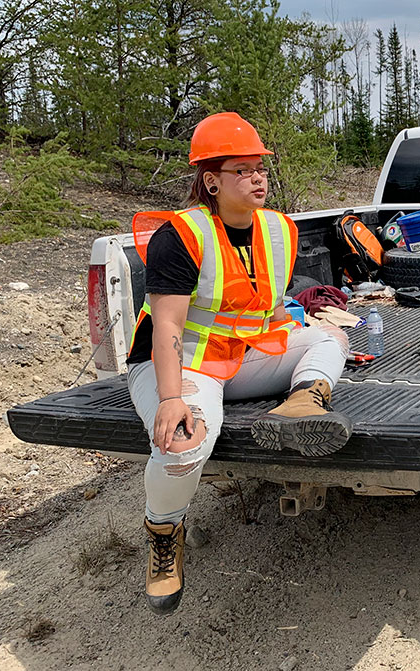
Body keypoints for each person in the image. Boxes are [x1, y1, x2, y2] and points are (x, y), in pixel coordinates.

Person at [126, 112, 352, 615]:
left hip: (242, 357)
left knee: (331, 339)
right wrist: (170, 400)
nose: (258, 179)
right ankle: (164, 532)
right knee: (181, 448)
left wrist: (302, 326)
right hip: (181, 366)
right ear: (212, 181)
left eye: (261, 169)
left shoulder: (281, 231)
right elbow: (166, 327)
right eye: (243, 170)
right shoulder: (180, 235)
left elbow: (267, 308)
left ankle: (301, 404)